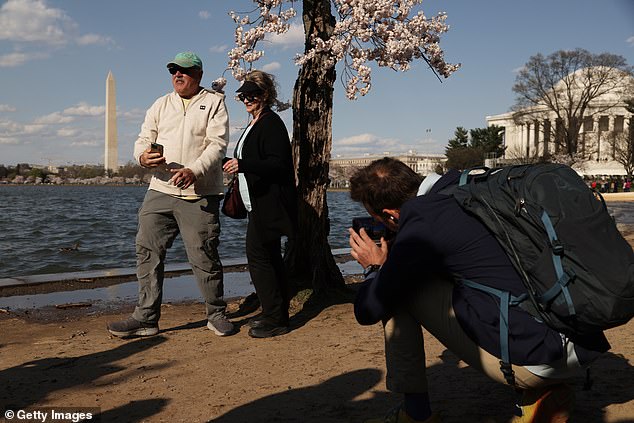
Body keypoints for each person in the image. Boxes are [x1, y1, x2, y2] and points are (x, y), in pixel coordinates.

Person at [347, 158, 609, 423]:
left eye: (378, 219)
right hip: (581, 338)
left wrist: (376, 267)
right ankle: (540, 396)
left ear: (391, 215)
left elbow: (367, 309)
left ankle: (415, 415)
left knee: (399, 293)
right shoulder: (473, 186)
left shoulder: (422, 222)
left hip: (539, 360)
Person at [107, 52, 235, 337]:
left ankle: (216, 313)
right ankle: (146, 317)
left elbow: (217, 145)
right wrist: (141, 157)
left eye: (185, 70)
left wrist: (194, 170)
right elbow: (143, 137)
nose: (178, 74)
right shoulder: (160, 104)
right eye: (174, 70)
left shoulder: (214, 103)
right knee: (146, 250)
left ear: (198, 75)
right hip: (160, 188)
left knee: (204, 255)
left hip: (199, 192)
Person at [222, 70, 297, 339]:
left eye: (252, 95)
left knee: (260, 259)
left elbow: (279, 164)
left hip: (269, 204)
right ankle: (276, 313)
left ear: (265, 95)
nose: (247, 100)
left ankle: (275, 316)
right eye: (243, 96)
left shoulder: (271, 123)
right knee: (268, 257)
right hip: (257, 203)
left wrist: (243, 164)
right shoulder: (256, 123)